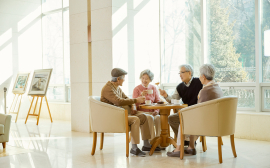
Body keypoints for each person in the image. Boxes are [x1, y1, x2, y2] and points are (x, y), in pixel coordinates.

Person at [167, 64, 223, 157]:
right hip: (215, 121)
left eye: (200, 75)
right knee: (183, 116)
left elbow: (198, 111)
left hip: (205, 123)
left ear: (203, 77)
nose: (199, 77)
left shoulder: (204, 90)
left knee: (183, 117)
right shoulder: (217, 87)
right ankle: (190, 147)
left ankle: (179, 149)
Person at [101, 68, 158, 157]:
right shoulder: (108, 89)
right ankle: (134, 148)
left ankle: (146, 144)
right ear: (118, 79)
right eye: (123, 78)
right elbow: (119, 101)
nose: (124, 80)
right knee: (135, 119)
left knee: (143, 116)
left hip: (121, 113)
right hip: (113, 117)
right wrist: (136, 100)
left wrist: (133, 105)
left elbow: (127, 98)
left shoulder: (117, 88)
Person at [159, 64, 203, 146]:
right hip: (186, 112)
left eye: (182, 73)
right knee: (171, 118)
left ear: (189, 73)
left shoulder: (199, 82)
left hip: (198, 112)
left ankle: (189, 140)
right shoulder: (180, 86)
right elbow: (174, 99)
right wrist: (165, 95)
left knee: (181, 117)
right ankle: (185, 140)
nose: (180, 75)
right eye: (179, 73)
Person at [133, 69, 161, 141]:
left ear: (150, 80)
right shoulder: (137, 89)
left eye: (146, 79)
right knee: (149, 118)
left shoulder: (153, 88)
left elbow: (158, 101)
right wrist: (141, 95)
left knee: (158, 118)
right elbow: (134, 103)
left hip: (152, 112)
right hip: (141, 112)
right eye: (143, 78)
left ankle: (159, 141)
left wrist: (156, 111)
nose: (144, 80)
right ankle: (151, 141)